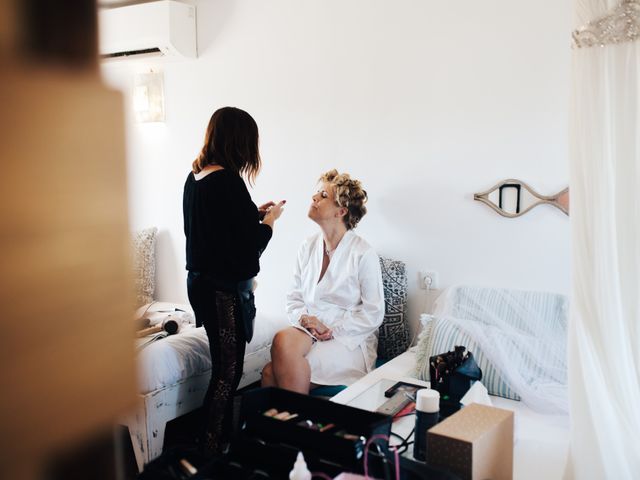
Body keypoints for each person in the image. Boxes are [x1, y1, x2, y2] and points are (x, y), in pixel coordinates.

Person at [183, 106, 285, 456]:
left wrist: (252, 213)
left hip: (199, 284)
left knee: (225, 368)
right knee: (229, 372)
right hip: (222, 291)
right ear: (241, 142)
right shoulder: (229, 181)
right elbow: (246, 250)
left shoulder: (195, 178)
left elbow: (212, 231)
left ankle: (213, 442)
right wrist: (269, 223)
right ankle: (212, 448)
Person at [261, 169, 384, 394]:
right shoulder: (308, 246)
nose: (314, 198)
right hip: (309, 330)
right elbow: (294, 297)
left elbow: (373, 313)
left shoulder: (363, 253)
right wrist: (306, 320)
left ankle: (288, 428)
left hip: (348, 339)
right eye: (317, 193)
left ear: (342, 211)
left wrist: (330, 329)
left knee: (270, 373)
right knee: (281, 339)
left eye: (324, 196)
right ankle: (287, 426)